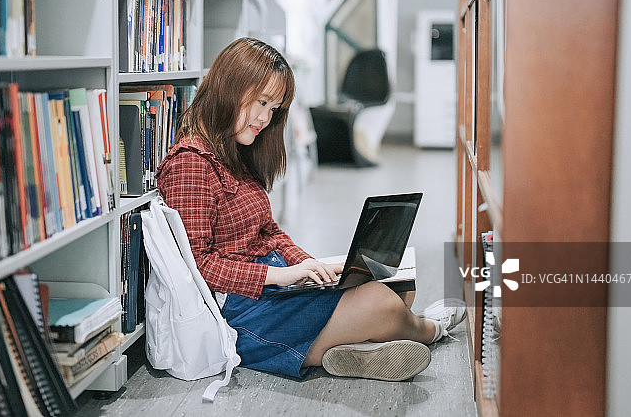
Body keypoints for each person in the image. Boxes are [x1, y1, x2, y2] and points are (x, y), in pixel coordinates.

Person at [155, 37, 465, 381]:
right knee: (384, 302)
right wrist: (281, 275)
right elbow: (198, 266)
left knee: (398, 284)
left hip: (270, 285)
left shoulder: (235, 151)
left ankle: (348, 350)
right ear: (230, 87)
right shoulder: (191, 164)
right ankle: (430, 328)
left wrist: (304, 263)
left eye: (273, 109)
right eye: (261, 102)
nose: (264, 119)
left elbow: (270, 232)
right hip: (240, 310)